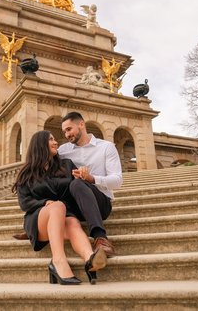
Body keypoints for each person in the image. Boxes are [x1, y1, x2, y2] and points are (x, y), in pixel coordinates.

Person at [13, 130, 107, 285]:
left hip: (65, 213)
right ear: (40, 144)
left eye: (54, 139)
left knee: (73, 223)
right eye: (51, 139)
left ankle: (90, 259)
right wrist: (44, 203)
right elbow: (24, 203)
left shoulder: (66, 165)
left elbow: (78, 186)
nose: (56, 142)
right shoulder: (26, 173)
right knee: (57, 206)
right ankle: (57, 261)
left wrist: (84, 174)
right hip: (38, 218)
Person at [58, 112, 123, 257]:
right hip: (74, 205)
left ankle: (101, 238)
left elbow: (117, 180)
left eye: (69, 129)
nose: (67, 134)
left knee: (77, 184)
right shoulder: (63, 151)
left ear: (81, 124)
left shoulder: (106, 147)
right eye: (64, 131)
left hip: (101, 204)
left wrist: (92, 178)